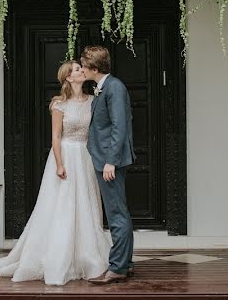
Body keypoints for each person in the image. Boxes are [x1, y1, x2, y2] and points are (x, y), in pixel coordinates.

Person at [0, 61, 110, 285]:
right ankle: (58, 256)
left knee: (86, 203)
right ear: (68, 77)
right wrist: (59, 164)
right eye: (77, 69)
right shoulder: (59, 104)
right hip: (66, 154)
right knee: (63, 204)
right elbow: (56, 137)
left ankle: (86, 255)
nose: (81, 71)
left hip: (85, 157)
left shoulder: (93, 101)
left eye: (81, 68)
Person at [81, 45, 136, 285]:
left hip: (109, 161)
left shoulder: (114, 88)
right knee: (118, 212)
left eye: (83, 66)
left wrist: (110, 161)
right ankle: (125, 263)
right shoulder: (104, 87)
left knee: (116, 214)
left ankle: (117, 268)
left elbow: (119, 127)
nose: (82, 70)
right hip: (104, 158)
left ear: (94, 68)